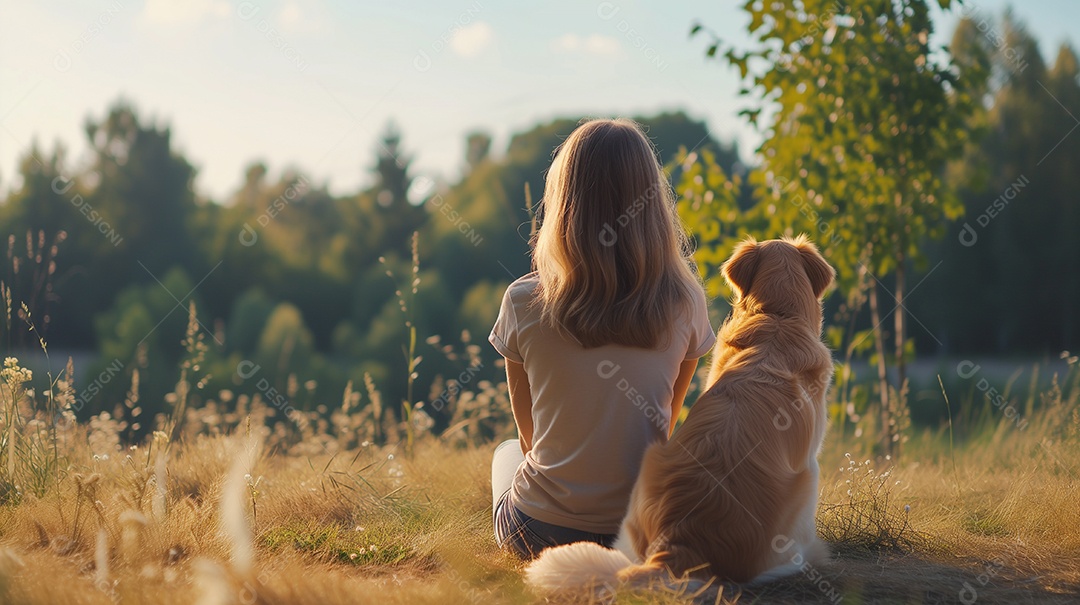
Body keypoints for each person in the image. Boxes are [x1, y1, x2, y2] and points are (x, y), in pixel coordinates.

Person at [488, 118, 716, 559]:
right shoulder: (686, 302)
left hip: (540, 533)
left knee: (507, 451)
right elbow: (662, 427)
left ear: (563, 200)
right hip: (640, 533)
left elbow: (531, 438)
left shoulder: (521, 300)